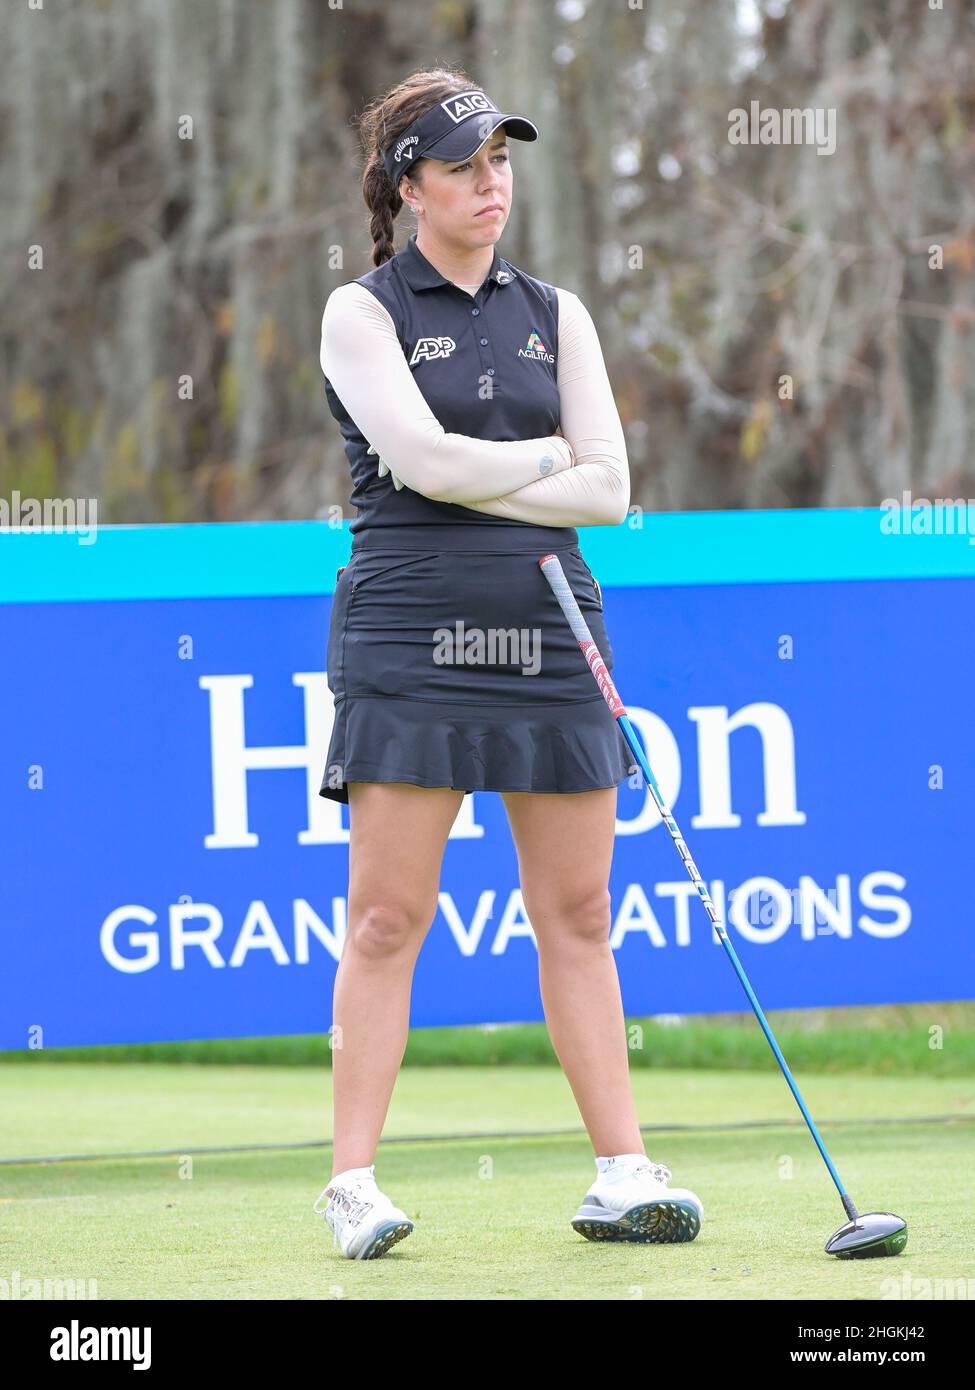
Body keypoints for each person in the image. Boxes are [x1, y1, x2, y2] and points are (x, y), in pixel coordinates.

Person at [311, 67, 703, 1259]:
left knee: (579, 909)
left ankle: (621, 1171)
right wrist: (548, 462)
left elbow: (614, 488)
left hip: (549, 625)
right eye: (466, 166)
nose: (492, 184)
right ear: (407, 186)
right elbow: (422, 464)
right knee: (389, 915)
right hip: (411, 628)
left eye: (502, 162)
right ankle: (354, 1184)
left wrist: (504, 466)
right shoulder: (362, 311)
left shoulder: (558, 309)